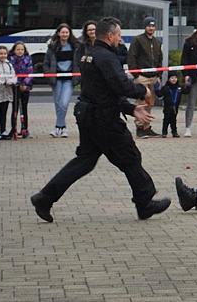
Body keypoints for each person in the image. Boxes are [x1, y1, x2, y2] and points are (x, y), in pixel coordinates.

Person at [30, 16, 171, 223]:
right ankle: (145, 202)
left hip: (89, 115)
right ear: (110, 35)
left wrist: (131, 109)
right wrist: (143, 90)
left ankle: (44, 197)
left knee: (85, 161)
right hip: (104, 120)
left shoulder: (90, 55)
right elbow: (120, 85)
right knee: (130, 157)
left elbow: (104, 91)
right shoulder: (106, 57)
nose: (120, 39)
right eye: (119, 35)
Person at [127, 16, 163, 138]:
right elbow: (132, 57)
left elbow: (160, 58)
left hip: (153, 76)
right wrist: (136, 75)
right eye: (149, 26)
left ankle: (147, 127)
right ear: (145, 27)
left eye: (153, 26)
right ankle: (139, 127)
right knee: (141, 102)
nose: (151, 28)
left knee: (150, 103)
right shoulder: (138, 40)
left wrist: (159, 74)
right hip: (141, 76)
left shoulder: (157, 42)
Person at [44, 23, 80, 138]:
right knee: (58, 103)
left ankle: (59, 126)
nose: (64, 34)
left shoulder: (75, 46)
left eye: (66, 32)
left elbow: (79, 63)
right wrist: (48, 74)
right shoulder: (52, 47)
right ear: (58, 33)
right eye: (62, 32)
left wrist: (78, 76)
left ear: (69, 34)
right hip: (56, 79)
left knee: (64, 103)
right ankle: (61, 128)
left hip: (69, 79)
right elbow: (46, 63)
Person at [10, 41, 34, 138]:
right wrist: (16, 82)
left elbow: (30, 72)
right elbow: (10, 73)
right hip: (14, 86)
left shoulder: (28, 59)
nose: (20, 51)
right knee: (14, 108)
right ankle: (13, 128)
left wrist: (25, 83)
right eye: (18, 49)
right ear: (14, 50)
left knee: (24, 108)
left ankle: (24, 129)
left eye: (22, 49)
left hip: (25, 87)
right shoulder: (10, 59)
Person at [154, 73, 190, 138]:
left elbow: (187, 91)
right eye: (172, 78)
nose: (174, 79)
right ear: (168, 79)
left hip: (175, 107)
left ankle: (174, 132)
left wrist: (187, 83)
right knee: (166, 120)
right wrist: (157, 86)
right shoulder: (165, 88)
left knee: (174, 120)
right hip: (167, 107)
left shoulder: (179, 87)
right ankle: (164, 132)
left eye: (175, 78)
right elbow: (159, 94)